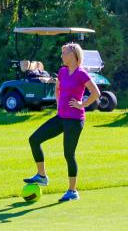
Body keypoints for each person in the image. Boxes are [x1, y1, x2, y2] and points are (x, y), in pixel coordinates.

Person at [24, 43, 100, 202]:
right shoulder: (62, 71)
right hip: (61, 117)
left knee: (68, 154)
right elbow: (57, 88)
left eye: (63, 53)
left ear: (72, 55)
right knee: (34, 139)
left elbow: (96, 93)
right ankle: (42, 175)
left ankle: (72, 191)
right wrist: (59, 102)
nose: (61, 56)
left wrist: (82, 104)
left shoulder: (81, 74)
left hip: (75, 120)